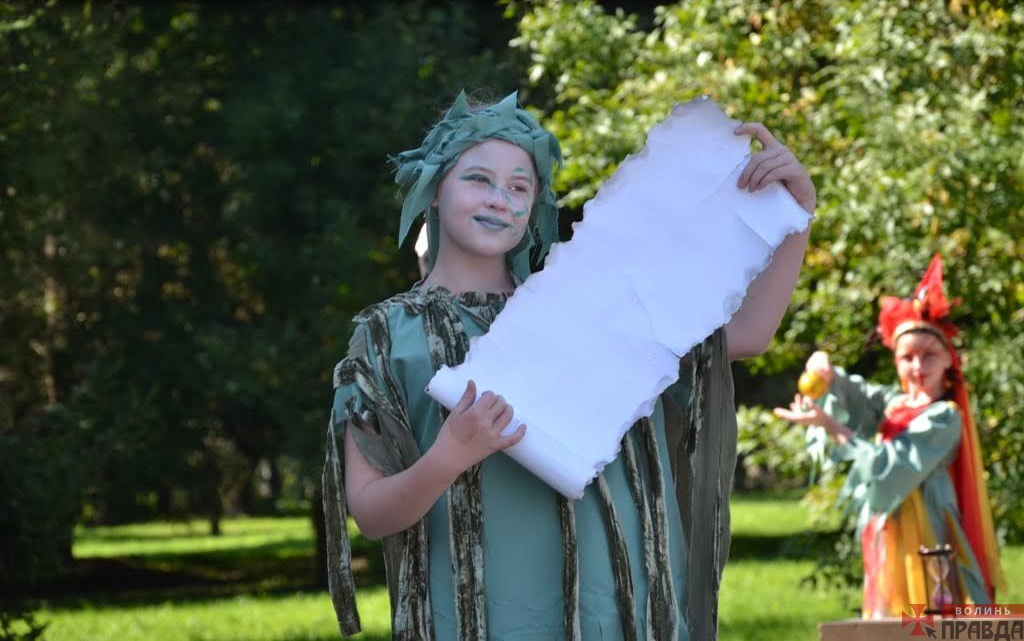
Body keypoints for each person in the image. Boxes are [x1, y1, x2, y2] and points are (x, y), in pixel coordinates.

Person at [323, 89, 817, 640]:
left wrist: (795, 214)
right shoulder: (387, 336)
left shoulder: (592, 303)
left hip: (615, 610)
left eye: (519, 186)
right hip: (476, 619)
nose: (500, 199)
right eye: (478, 179)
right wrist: (448, 456)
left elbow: (747, 333)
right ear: (435, 188)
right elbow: (371, 512)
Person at [773, 254, 1005, 618]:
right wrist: (825, 368)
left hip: (929, 539)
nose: (918, 366)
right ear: (896, 361)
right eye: (907, 357)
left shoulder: (945, 417)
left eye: (929, 355)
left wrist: (831, 426)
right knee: (888, 620)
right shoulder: (894, 403)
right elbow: (857, 394)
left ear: (949, 360)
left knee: (928, 620)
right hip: (889, 535)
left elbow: (887, 470)